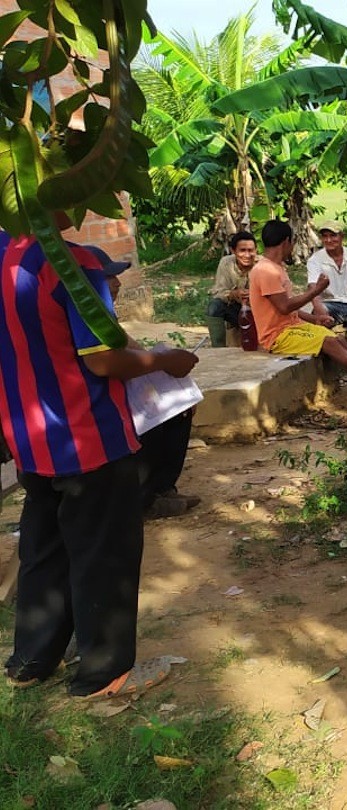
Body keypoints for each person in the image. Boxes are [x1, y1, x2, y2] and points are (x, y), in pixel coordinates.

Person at [1, 226, 199, 699]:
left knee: (44, 547)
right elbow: (103, 360)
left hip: (30, 437)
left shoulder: (7, 255)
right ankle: (101, 672)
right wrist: (164, 358)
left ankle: (30, 661)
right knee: (103, 553)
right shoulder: (70, 264)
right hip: (88, 436)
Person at [93, 245, 201, 520]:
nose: (116, 283)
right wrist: (163, 363)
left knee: (179, 407)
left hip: (122, 389)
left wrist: (166, 376)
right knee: (153, 419)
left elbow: (135, 350)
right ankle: (144, 497)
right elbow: (110, 364)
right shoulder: (87, 318)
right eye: (108, 277)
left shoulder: (106, 314)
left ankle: (163, 489)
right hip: (101, 399)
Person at [250, 220, 347, 401]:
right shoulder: (266, 271)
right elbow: (284, 306)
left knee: (338, 338)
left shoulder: (276, 268)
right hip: (277, 336)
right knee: (329, 342)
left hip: (292, 327)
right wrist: (316, 290)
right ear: (286, 241)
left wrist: (312, 318)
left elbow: (284, 309)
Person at [206, 230, 255, 347]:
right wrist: (234, 294)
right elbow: (219, 292)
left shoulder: (263, 264)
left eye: (251, 250)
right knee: (214, 306)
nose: (247, 255)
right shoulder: (226, 263)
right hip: (237, 310)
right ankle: (219, 349)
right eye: (242, 251)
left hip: (259, 312)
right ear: (233, 251)